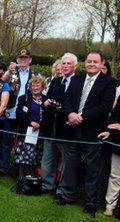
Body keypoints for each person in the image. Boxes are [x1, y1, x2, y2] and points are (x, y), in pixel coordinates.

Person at [56, 50, 116, 217]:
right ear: (85, 62)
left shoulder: (109, 82)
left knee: (92, 170)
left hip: (93, 133)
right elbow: (66, 100)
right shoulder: (77, 79)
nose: (91, 64)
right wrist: (70, 114)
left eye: (95, 62)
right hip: (72, 130)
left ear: (102, 63)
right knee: (70, 166)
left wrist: (81, 117)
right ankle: (67, 196)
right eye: (89, 61)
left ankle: (91, 203)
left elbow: (105, 106)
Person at [42, 53, 77, 195]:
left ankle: (62, 189)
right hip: (52, 124)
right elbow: (48, 97)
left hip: (67, 126)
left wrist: (65, 110)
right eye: (63, 63)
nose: (65, 66)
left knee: (66, 160)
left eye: (69, 64)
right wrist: (46, 102)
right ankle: (46, 185)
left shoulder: (79, 82)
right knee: (48, 156)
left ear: (74, 66)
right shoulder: (56, 81)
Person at [1, 48, 37, 175]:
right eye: (21, 59)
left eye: (25, 58)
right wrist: (8, 71)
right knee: (6, 141)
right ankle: (4, 168)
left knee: (21, 142)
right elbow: (2, 81)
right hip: (10, 110)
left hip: (24, 114)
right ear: (17, 60)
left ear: (30, 60)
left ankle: (18, 169)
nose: (23, 61)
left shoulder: (33, 74)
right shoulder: (12, 72)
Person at [14, 75, 47, 177]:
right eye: (33, 86)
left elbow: (48, 116)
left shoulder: (46, 100)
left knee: (36, 156)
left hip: (40, 133)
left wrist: (40, 124)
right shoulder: (23, 98)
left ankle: (33, 179)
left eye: (38, 86)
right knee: (23, 156)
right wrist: (31, 122)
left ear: (42, 87)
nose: (35, 88)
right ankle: (21, 178)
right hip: (26, 131)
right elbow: (19, 114)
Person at [98, 106, 120, 217]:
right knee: (115, 175)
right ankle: (110, 206)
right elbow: (114, 117)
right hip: (118, 143)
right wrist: (108, 132)